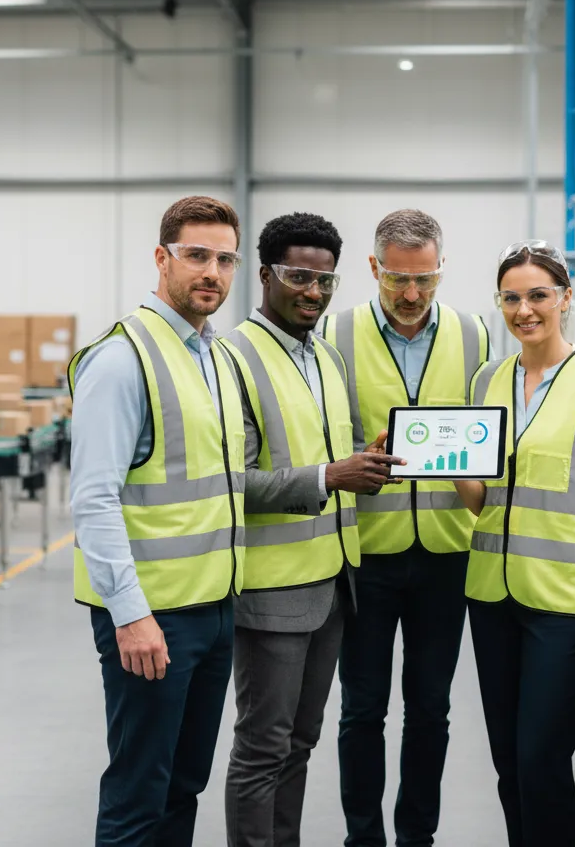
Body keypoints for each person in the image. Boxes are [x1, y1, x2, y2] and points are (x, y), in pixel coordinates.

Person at [219, 212, 404, 847]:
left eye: (326, 281)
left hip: (332, 583)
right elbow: (229, 484)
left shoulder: (324, 355)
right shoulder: (230, 357)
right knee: (262, 747)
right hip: (272, 591)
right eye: (299, 276)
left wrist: (367, 455)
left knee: (300, 743)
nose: (314, 292)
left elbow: (332, 445)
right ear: (265, 274)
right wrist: (330, 476)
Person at [68, 196, 247, 847]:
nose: (213, 273)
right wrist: (130, 613)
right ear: (162, 258)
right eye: (197, 256)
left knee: (183, 785)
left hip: (214, 609)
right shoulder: (121, 360)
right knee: (140, 793)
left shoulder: (216, 357)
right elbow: (93, 498)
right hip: (153, 618)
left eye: (225, 260)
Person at [454, 240, 575, 847]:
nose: (524, 310)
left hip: (564, 603)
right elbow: (484, 499)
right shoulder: (488, 379)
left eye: (538, 295)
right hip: (491, 593)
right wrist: (444, 463)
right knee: (509, 760)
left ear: (565, 299)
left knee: (541, 758)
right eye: (511, 298)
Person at [322, 209, 491, 847]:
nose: (412, 294)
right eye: (397, 280)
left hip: (448, 552)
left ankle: (416, 836)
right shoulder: (336, 335)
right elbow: (324, 432)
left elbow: (493, 431)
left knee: (431, 710)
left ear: (441, 270)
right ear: (373, 269)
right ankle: (362, 838)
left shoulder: (475, 335)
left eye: (425, 279)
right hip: (366, 554)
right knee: (362, 709)